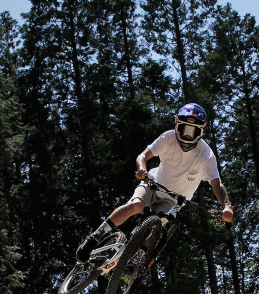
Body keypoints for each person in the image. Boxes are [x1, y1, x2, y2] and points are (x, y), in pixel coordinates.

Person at [76, 103, 234, 264]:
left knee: (157, 228)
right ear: (176, 125)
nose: (187, 136)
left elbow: (217, 184)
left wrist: (226, 206)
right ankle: (95, 237)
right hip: (153, 184)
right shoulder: (168, 138)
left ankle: (136, 261)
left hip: (175, 200)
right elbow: (142, 156)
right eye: (184, 129)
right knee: (135, 205)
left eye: (193, 131)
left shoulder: (206, 155)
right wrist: (141, 169)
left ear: (202, 131)